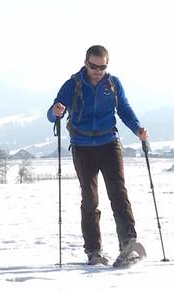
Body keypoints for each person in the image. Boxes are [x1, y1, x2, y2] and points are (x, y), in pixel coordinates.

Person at [47, 45, 148, 265]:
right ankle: (94, 251)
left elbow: (124, 110)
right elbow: (53, 112)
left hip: (109, 143)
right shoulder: (73, 84)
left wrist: (137, 129)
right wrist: (56, 111)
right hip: (82, 146)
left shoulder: (112, 84)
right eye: (93, 66)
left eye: (102, 67)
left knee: (118, 193)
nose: (97, 71)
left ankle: (128, 244)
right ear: (85, 63)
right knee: (90, 199)